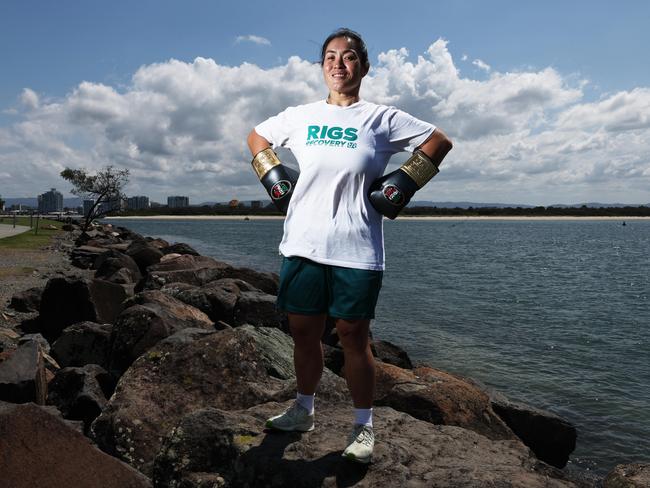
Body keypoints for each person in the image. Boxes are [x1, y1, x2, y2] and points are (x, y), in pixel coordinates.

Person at [247, 28, 452, 464]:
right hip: (302, 242)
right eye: (330, 57)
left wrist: (403, 182)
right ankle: (304, 409)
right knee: (303, 333)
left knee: (353, 337)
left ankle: (363, 426)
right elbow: (256, 137)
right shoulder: (299, 116)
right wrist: (273, 176)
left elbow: (439, 141)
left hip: (357, 246)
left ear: (364, 66)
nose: (338, 64)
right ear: (322, 66)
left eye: (349, 57)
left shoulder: (381, 118)